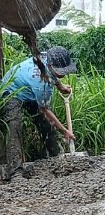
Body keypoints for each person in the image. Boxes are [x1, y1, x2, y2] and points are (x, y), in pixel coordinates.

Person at [1, 46, 76, 181]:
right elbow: (45, 111)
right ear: (50, 65)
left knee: (46, 126)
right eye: (60, 71)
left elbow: (53, 75)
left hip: (28, 89)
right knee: (14, 127)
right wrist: (65, 131)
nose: (63, 73)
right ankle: (15, 172)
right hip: (11, 91)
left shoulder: (47, 58)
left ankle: (54, 158)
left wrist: (61, 86)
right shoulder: (41, 82)